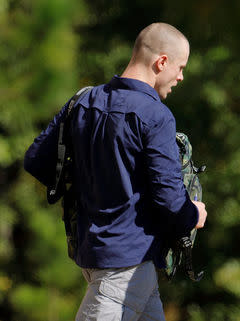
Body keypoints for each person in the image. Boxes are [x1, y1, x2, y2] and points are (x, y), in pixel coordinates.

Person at [24, 22, 207, 321]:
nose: (181, 76)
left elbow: (36, 160)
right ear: (161, 62)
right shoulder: (157, 115)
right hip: (124, 267)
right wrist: (194, 214)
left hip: (95, 255)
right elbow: (171, 204)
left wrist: (93, 183)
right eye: (181, 67)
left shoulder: (83, 101)